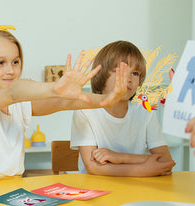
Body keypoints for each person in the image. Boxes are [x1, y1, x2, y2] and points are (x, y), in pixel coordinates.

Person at [0, 22, 129, 185]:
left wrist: (107, 100)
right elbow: (14, 92)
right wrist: (55, 87)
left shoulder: (19, 105)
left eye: (15, 62)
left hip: (13, 187)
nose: (10, 70)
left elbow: (63, 103)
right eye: (0, 63)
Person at [71, 40, 176, 176]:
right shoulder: (85, 111)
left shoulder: (145, 112)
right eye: (121, 71)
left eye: (135, 73)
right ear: (101, 74)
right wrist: (144, 167)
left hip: (137, 188)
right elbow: (93, 167)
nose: (129, 78)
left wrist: (119, 157)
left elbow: (166, 162)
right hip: (96, 188)